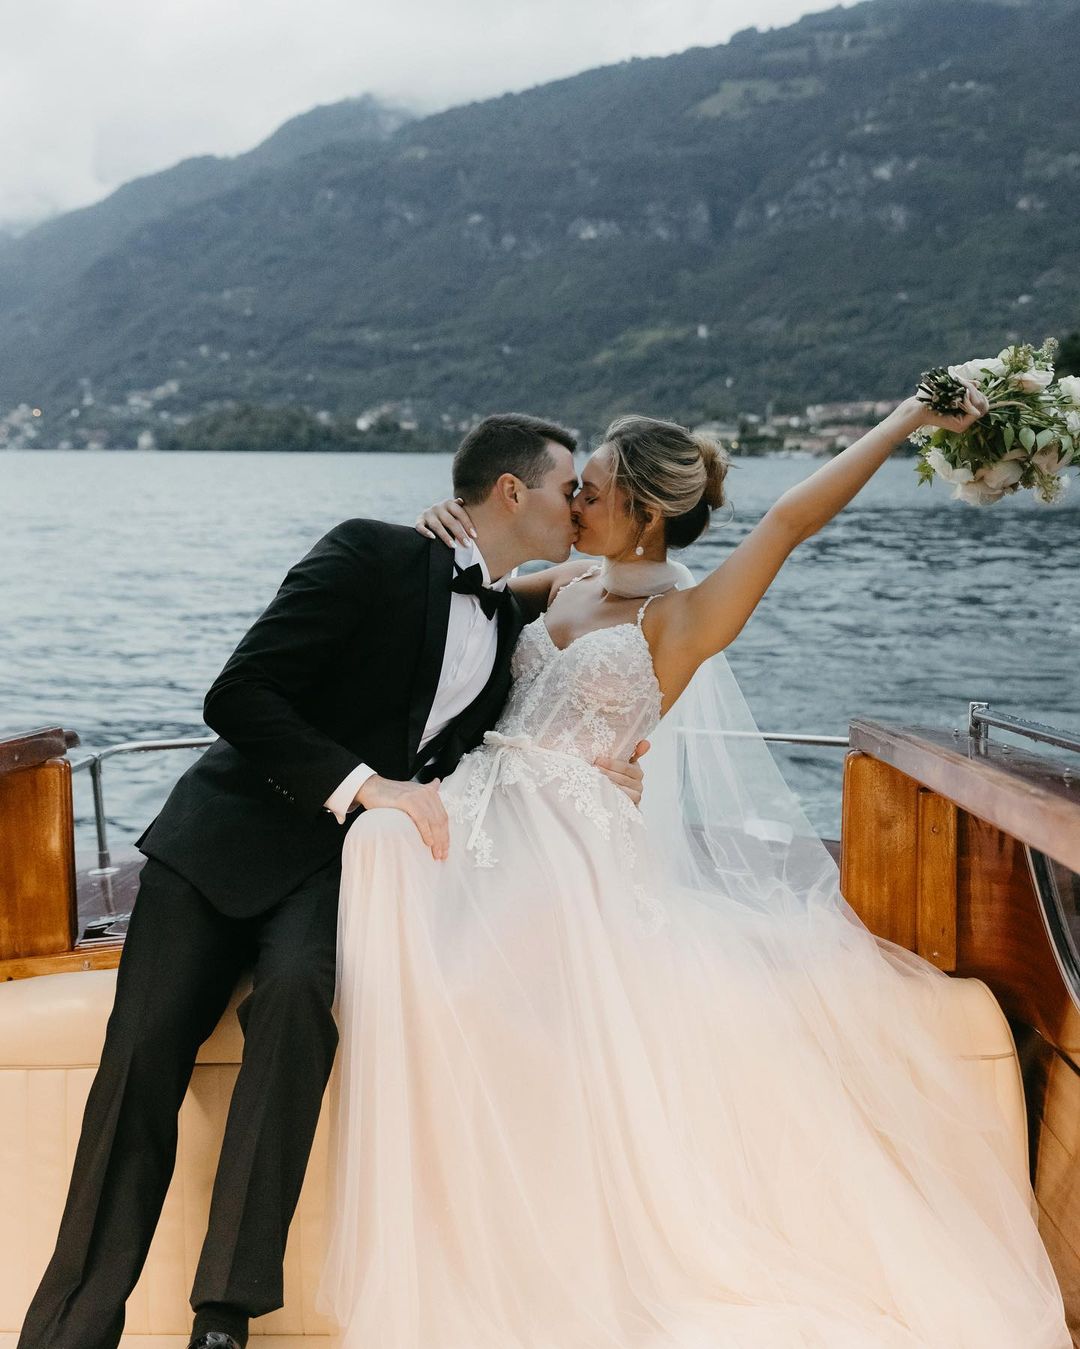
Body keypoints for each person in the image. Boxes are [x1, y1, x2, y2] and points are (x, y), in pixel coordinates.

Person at [317, 382, 1072, 1347]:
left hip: (570, 842)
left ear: (643, 511)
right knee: (382, 850)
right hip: (485, 803)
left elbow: (791, 520)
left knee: (475, 980)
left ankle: (508, 1241)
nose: (572, 503)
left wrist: (909, 417)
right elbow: (472, 588)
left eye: (589, 491)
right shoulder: (567, 585)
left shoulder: (685, 615)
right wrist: (443, 525)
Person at [17, 413, 647, 1349]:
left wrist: (603, 772)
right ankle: (67, 1332)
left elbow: (522, 735)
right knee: (140, 1059)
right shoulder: (369, 552)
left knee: (297, 1011)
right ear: (512, 491)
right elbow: (238, 693)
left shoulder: (504, 621)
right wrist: (365, 786)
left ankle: (222, 1319)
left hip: (334, 875)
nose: (579, 507)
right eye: (568, 490)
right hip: (223, 841)